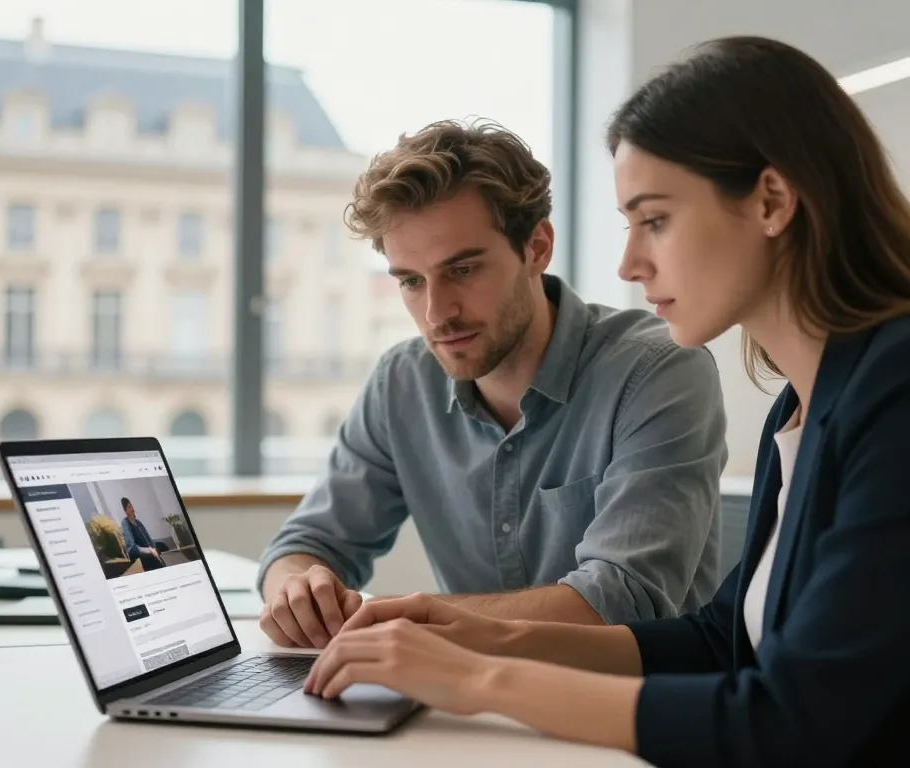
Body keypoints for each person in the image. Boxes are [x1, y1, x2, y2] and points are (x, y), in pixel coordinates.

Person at [300, 36, 910, 766]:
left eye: (654, 220)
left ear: (773, 201)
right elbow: (722, 640)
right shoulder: (800, 405)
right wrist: (459, 630)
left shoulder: (896, 390)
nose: (628, 263)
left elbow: (791, 721)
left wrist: (480, 676)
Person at [257, 118, 729, 650]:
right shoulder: (402, 383)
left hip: (634, 711)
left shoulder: (657, 370)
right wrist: (299, 589)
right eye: (411, 281)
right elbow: (307, 544)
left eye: (462, 270)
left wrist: (399, 621)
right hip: (466, 706)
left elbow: (621, 598)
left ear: (537, 247)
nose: (437, 313)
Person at [120, 496, 167, 571]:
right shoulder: (125, 523)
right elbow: (131, 546)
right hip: (138, 553)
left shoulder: (138, 522)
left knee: (162, 545)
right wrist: (149, 550)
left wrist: (153, 548)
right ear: (125, 511)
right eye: (129, 507)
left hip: (148, 549)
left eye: (131, 506)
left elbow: (148, 538)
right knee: (151, 557)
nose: (132, 509)